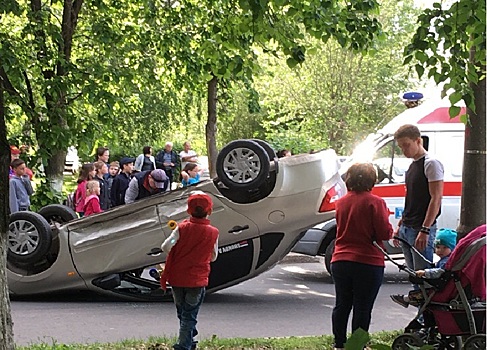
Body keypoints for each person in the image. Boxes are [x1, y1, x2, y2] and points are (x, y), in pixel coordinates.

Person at [330, 163, 393, 350]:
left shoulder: (340, 202)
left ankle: (339, 343)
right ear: (372, 180)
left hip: (341, 259)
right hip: (368, 261)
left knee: (342, 304)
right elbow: (383, 233)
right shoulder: (376, 202)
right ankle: (357, 346)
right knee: (363, 307)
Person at [160, 192, 219, 350]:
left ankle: (188, 341)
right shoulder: (213, 233)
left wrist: (178, 252)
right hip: (197, 279)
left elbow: (166, 246)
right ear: (210, 211)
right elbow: (213, 256)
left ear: (188, 210)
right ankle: (184, 345)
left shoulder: (181, 229)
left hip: (177, 277)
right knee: (189, 314)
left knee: (183, 313)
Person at [393, 124, 444, 271]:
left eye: (406, 145)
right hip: (408, 226)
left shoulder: (431, 163)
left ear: (418, 141)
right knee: (413, 273)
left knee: (422, 276)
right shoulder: (412, 166)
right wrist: (401, 224)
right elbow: (411, 198)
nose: (404, 150)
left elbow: (436, 198)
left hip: (419, 227)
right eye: (401, 147)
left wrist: (425, 229)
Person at [391, 228, 457, 308]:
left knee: (423, 293)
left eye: (445, 248)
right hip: (441, 287)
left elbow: (440, 272)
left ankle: (406, 299)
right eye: (438, 247)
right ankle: (407, 300)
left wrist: (425, 272)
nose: (440, 250)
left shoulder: (446, 261)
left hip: (441, 289)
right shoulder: (445, 260)